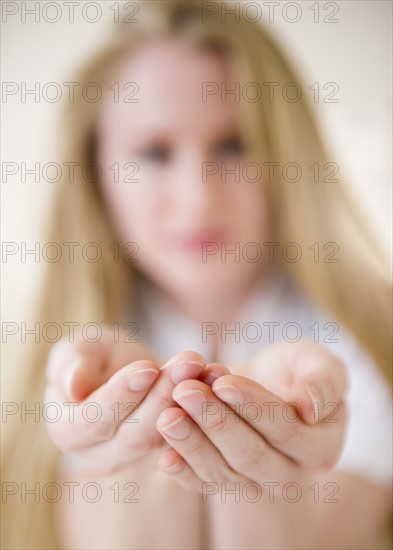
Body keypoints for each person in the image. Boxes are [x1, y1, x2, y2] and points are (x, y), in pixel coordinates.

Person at [2, 2, 392, 549]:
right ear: (94, 173)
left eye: (235, 145)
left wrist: (266, 483)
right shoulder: (22, 358)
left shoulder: (374, 339)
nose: (198, 195)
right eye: (154, 152)